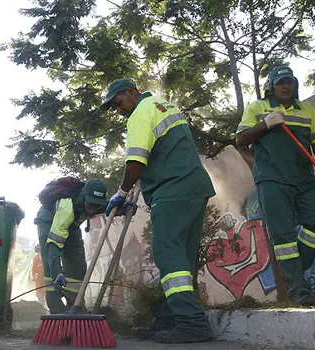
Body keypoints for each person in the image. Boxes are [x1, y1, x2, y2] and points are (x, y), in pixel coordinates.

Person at [100, 78, 216, 343]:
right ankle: (169, 317)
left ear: (131, 92)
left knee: (167, 254)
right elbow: (162, 153)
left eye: (117, 102)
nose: (118, 110)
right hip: (193, 187)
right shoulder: (164, 106)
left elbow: (137, 160)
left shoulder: (140, 113)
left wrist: (121, 192)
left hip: (173, 190)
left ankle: (192, 322)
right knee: (182, 260)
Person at [235, 66, 315, 306]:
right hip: (272, 178)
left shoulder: (306, 110)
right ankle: (298, 289)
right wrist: (264, 124)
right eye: (281, 83)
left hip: (304, 177)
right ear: (272, 86)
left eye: (290, 82)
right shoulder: (257, 108)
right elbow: (240, 139)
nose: (286, 86)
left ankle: (297, 267)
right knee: (283, 234)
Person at [34, 179, 108, 314]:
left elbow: (109, 207)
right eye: (90, 204)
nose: (92, 210)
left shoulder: (98, 205)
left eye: (97, 206)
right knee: (51, 269)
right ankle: (57, 311)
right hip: (48, 222)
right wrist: (58, 273)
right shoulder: (67, 208)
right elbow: (54, 244)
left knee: (78, 267)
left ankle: (75, 305)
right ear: (83, 198)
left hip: (72, 225)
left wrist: (122, 208)